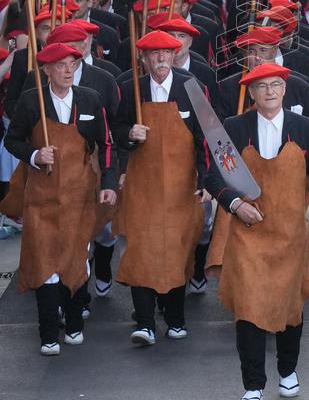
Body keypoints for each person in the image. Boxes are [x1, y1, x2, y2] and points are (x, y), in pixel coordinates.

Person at [204, 62, 309, 400]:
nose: (270, 92)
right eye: (262, 87)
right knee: (248, 305)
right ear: (251, 92)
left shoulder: (307, 129)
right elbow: (213, 177)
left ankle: (288, 369)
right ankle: (253, 384)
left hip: (291, 235)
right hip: (248, 233)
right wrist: (234, 204)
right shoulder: (233, 128)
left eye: (276, 85)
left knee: (290, 303)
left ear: (284, 88)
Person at [4, 43, 116, 355]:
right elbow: (12, 140)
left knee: (75, 258)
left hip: (80, 196)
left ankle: (75, 325)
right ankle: (48, 334)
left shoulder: (90, 100)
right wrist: (35, 154)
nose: (68, 71)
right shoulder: (31, 102)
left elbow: (105, 144)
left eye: (72, 64)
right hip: (41, 197)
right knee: (45, 264)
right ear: (46, 70)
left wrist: (108, 181)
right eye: (61, 65)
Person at [113, 30, 208, 346]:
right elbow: (116, 130)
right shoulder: (130, 89)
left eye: (167, 52)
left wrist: (207, 180)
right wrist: (130, 133)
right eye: (154, 54)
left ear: (175, 54)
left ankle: (175, 318)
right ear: (143, 58)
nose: (161, 58)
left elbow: (206, 138)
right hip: (143, 187)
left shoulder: (192, 88)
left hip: (183, 187)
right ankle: (144, 322)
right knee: (142, 249)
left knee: (177, 249)